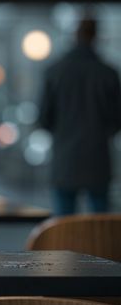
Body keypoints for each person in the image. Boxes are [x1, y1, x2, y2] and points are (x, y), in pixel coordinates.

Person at [38, 18, 121, 215]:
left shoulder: (55, 71)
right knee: (100, 230)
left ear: (75, 35)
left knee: (64, 228)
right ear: (95, 36)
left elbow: (44, 118)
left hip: (65, 160)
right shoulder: (108, 73)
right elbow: (117, 119)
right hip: (98, 158)